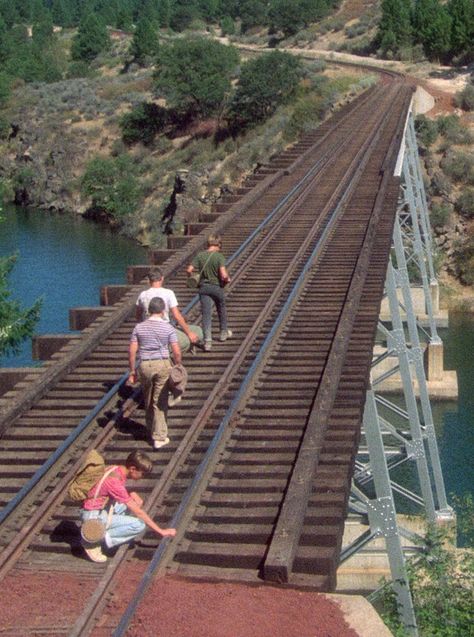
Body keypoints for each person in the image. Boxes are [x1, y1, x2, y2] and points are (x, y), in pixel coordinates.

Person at [81, 450, 176, 563]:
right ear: (132, 469)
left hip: (95, 509)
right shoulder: (114, 482)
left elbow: (112, 491)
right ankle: (93, 539)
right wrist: (161, 531)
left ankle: (98, 532)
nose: (142, 476)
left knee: (126, 504)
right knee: (139, 525)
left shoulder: (115, 469)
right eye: (142, 473)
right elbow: (139, 513)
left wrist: (131, 493)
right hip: (93, 517)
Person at [129, 297, 181, 449]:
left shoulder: (139, 328)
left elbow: (132, 351)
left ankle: (151, 429)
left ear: (148, 310)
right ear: (163, 311)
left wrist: (132, 370)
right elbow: (176, 351)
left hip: (144, 364)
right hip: (162, 363)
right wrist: (178, 365)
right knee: (160, 400)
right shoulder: (168, 328)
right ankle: (159, 436)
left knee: (148, 397)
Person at [186, 234, 232, 351]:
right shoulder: (219, 256)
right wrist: (227, 279)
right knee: (221, 307)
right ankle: (223, 333)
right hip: (216, 287)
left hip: (204, 288)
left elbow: (189, 269)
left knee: (206, 314)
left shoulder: (200, 256)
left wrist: (192, 277)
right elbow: (223, 274)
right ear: (218, 244)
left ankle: (207, 342)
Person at [136, 268, 200, 351]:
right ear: (162, 278)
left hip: (148, 329)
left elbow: (138, 316)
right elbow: (177, 316)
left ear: (149, 280)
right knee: (189, 339)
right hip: (164, 328)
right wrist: (189, 333)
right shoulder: (168, 293)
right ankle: (167, 350)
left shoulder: (142, 295)